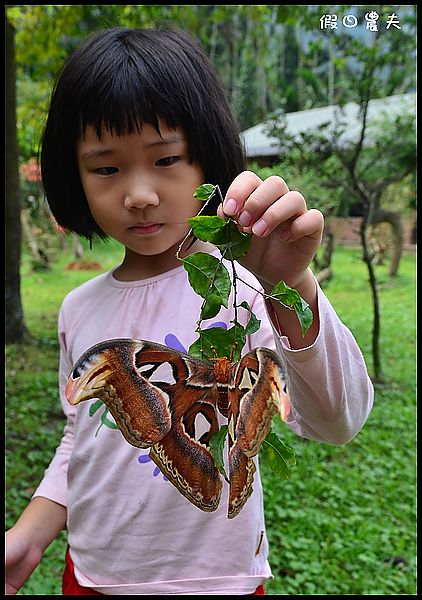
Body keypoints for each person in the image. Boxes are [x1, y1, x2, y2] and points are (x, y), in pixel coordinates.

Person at [5, 27, 374, 596]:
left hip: (220, 584)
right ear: (72, 175)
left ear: (207, 157)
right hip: (91, 580)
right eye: (106, 168)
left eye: (167, 158)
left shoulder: (248, 289)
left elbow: (336, 421)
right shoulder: (80, 307)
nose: (140, 193)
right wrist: (30, 537)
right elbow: (86, 436)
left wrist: (292, 282)